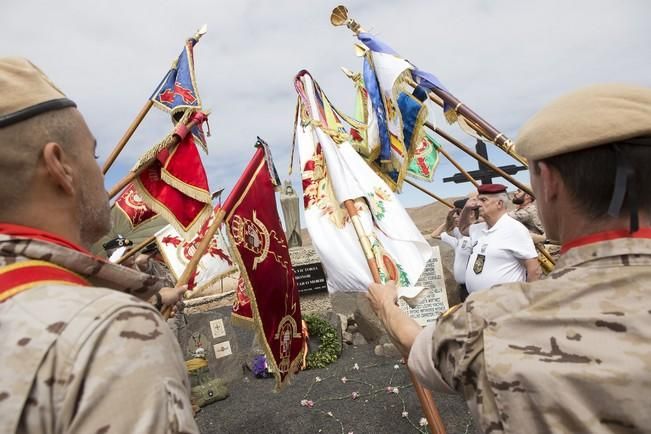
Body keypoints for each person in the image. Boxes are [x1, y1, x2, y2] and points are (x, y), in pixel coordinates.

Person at [366, 83, 651, 433]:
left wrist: (385, 305)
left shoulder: (496, 321)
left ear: (548, 183)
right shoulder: (485, 256)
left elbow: (416, 346)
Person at [0, 58, 198, 433]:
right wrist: (129, 318)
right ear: (59, 166)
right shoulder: (111, 334)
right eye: (92, 155)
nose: (102, 168)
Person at [458, 183, 541, 293]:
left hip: (506, 304)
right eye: (478, 200)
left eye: (483, 200)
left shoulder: (514, 229)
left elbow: (534, 270)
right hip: (478, 304)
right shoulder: (478, 228)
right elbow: (463, 228)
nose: (477, 204)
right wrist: (466, 208)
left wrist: (529, 300)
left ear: (499, 203)